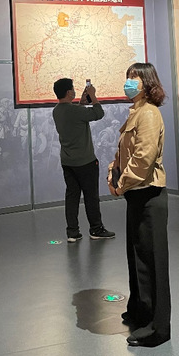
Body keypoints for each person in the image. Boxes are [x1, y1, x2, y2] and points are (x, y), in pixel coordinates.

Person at [107, 62, 170, 348]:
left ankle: (157, 327)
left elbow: (144, 157)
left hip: (149, 195)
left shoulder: (149, 113)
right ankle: (140, 311)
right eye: (128, 77)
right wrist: (113, 173)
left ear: (147, 82)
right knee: (137, 258)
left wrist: (121, 184)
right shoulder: (137, 111)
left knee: (152, 262)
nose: (129, 82)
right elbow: (123, 153)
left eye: (134, 78)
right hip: (136, 193)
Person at [52, 77, 115, 242]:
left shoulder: (57, 111)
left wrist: (80, 103)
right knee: (91, 196)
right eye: (72, 89)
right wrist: (92, 95)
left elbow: (74, 116)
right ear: (68, 92)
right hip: (85, 162)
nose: (74, 91)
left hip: (67, 162)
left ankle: (72, 232)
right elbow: (99, 113)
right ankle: (96, 229)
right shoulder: (75, 111)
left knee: (72, 196)